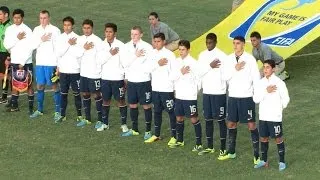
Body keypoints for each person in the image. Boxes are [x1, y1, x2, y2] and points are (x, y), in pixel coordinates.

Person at [218, 36, 261, 165]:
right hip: (233, 97)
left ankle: (257, 156)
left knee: (251, 125)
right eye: (234, 43)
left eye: (238, 43)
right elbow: (224, 76)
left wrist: (257, 95)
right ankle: (231, 152)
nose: (235, 45)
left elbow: (256, 78)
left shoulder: (250, 59)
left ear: (243, 45)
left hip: (246, 97)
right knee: (231, 124)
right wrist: (234, 69)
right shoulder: (228, 59)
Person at [253, 60, 290, 171]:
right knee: (263, 138)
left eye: (268, 67)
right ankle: (264, 160)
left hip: (275, 117)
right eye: (264, 67)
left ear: (273, 69)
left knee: (278, 138)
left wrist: (278, 110)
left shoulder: (279, 83)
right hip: (263, 117)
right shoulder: (260, 83)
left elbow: (286, 99)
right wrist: (266, 91)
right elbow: (256, 99)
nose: (265, 69)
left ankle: (282, 161)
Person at [197, 33, 228, 157]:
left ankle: (223, 148)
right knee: (208, 119)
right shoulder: (202, 55)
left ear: (216, 42)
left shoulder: (222, 56)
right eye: (207, 42)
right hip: (207, 92)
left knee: (220, 120)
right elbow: (199, 72)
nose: (208, 45)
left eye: (210, 42)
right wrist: (209, 66)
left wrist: (224, 88)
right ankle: (210, 146)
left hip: (219, 93)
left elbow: (226, 75)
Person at [169, 40, 203, 152]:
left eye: (183, 50)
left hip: (190, 96)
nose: (181, 52)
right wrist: (180, 73)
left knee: (193, 119)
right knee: (179, 117)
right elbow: (172, 77)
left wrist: (195, 92)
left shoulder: (194, 63)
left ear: (188, 50)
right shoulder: (176, 62)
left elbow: (199, 80)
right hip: (179, 95)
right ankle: (180, 140)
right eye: (179, 49)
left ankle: (199, 143)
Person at [144, 33, 177, 145]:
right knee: (157, 111)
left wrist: (173, 87)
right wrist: (157, 64)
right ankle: (156, 134)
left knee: (171, 112)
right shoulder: (151, 54)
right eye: (155, 41)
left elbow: (174, 71)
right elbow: (147, 69)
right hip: (155, 88)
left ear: (164, 42)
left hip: (167, 89)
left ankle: (174, 136)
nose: (156, 43)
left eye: (158, 41)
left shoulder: (170, 55)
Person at [121, 26, 153, 140]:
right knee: (132, 105)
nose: (133, 36)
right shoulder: (125, 47)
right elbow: (124, 63)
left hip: (144, 81)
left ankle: (148, 131)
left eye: (135, 34)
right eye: (132, 34)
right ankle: (134, 129)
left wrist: (134, 62)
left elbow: (149, 64)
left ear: (141, 34)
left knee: (146, 105)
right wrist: (136, 56)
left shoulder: (148, 47)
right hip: (132, 81)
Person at [29, 10, 61, 120]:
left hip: (52, 63)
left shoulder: (55, 30)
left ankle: (58, 112)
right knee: (40, 86)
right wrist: (40, 39)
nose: (43, 20)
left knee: (54, 86)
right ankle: (40, 109)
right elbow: (32, 45)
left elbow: (58, 49)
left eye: (45, 18)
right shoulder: (36, 30)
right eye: (41, 18)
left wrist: (58, 65)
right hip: (40, 63)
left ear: (49, 18)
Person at [99, 23, 128, 132]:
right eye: (106, 31)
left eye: (110, 32)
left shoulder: (121, 45)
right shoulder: (101, 45)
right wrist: (109, 54)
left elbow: (125, 63)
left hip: (117, 78)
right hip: (105, 78)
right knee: (105, 101)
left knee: (121, 101)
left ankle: (124, 124)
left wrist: (125, 78)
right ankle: (105, 124)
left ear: (115, 33)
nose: (108, 34)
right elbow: (99, 61)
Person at [3, 9, 34, 113]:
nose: (16, 20)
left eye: (19, 18)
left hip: (26, 63)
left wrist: (23, 62)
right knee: (15, 84)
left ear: (22, 18)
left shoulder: (28, 30)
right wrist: (17, 38)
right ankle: (14, 106)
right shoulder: (9, 29)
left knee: (29, 85)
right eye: (15, 18)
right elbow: (7, 45)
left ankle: (31, 108)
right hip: (14, 62)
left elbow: (31, 48)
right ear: (13, 18)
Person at [75, 19, 104, 127]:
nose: (86, 30)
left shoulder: (97, 41)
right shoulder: (79, 40)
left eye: (88, 28)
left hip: (94, 74)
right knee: (85, 94)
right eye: (84, 28)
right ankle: (87, 118)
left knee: (96, 95)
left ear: (92, 28)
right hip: (83, 73)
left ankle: (100, 119)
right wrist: (84, 48)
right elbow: (76, 54)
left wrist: (99, 71)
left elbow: (101, 57)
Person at [54, 16, 83, 123]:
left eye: (69, 25)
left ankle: (79, 115)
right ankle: (62, 115)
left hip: (75, 70)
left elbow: (79, 54)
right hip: (63, 71)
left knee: (76, 94)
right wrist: (69, 45)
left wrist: (71, 47)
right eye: (65, 25)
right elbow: (59, 53)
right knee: (63, 93)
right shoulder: (60, 38)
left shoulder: (78, 38)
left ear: (73, 26)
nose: (66, 27)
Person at [0, 6, 12, 104]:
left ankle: (11, 97)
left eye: (0, 14)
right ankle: (3, 96)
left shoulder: (10, 27)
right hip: (0, 53)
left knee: (8, 75)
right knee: (2, 75)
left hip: (6, 53)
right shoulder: (0, 25)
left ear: (6, 15)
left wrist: (9, 56)